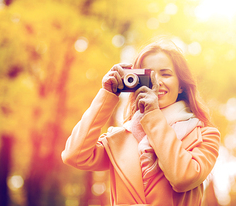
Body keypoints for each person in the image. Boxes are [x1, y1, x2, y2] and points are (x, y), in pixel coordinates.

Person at [61, 38, 220, 206]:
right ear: (134, 82)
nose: (157, 82)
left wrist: (152, 114)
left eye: (166, 74)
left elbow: (183, 178)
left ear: (181, 86)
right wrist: (106, 95)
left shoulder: (204, 135)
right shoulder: (119, 139)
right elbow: (74, 156)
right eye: (148, 75)